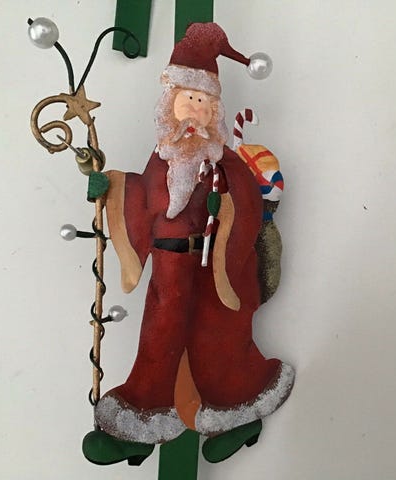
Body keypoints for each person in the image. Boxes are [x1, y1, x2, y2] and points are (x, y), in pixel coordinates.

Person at [83, 22, 295, 466]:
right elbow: (141, 195)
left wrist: (227, 203)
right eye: (188, 100)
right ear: (171, 105)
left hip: (215, 268)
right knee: (158, 338)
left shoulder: (223, 161)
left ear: (215, 110)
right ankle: (140, 424)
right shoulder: (162, 158)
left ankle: (238, 417)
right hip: (168, 267)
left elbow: (246, 204)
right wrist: (110, 187)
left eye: (204, 102)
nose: (195, 111)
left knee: (217, 340)